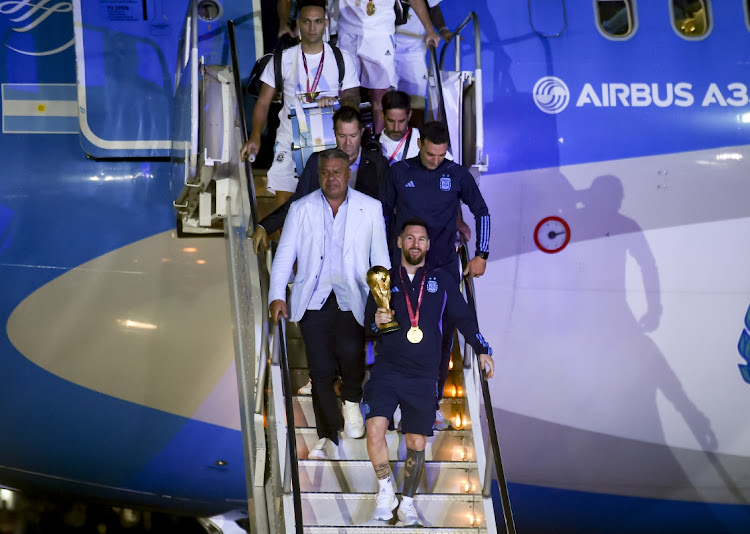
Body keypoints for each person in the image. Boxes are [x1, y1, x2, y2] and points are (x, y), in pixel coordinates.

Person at [363, 218, 494, 525]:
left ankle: (407, 502)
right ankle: (385, 491)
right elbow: (368, 323)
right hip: (387, 369)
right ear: (400, 243)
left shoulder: (441, 280)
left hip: (423, 375)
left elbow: (463, 316)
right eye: (410, 238)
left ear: (428, 245)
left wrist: (482, 348)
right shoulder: (382, 281)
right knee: (374, 429)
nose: (416, 244)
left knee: (417, 443)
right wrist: (376, 322)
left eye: (421, 239)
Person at [269, 148, 391, 459]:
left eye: (337, 171)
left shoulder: (370, 208)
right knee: (320, 371)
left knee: (352, 359)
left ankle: (351, 402)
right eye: (325, 172)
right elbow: (284, 255)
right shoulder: (301, 208)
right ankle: (328, 434)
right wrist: (277, 295)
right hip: (313, 299)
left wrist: (384, 303)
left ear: (349, 173)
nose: (331, 178)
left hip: (353, 296)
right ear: (319, 174)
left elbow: (380, 260)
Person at [382, 120, 490, 430]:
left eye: (441, 155)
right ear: (419, 145)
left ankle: (433, 403)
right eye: (430, 154)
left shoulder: (456, 174)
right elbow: (382, 216)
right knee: (394, 332)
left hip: (442, 268)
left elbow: (482, 211)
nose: (435, 160)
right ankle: (391, 401)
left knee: (441, 340)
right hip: (404, 269)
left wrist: (481, 255)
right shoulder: (399, 173)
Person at [241, 0, 360, 206]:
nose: (312, 28)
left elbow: (353, 97)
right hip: (290, 137)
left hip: (328, 140)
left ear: (326, 22)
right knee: (284, 203)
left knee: (328, 201)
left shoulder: (341, 58)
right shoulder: (281, 59)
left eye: (317, 22)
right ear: (298, 23)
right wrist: (255, 135)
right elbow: (263, 102)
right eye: (306, 21)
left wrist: (336, 100)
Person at [253, 106, 389, 253]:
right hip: (325, 247)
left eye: (353, 136)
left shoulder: (378, 164)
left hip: (363, 247)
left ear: (362, 132)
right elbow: (298, 202)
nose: (348, 143)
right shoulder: (318, 161)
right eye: (342, 136)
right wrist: (265, 226)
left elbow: (385, 209)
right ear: (334, 134)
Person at [335, 0, 439, 134]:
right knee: (347, 93)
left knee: (380, 96)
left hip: (380, 33)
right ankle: (350, 146)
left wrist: (429, 29)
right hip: (347, 31)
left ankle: (380, 146)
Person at [394, 0, 452, 125]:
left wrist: (443, 29)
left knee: (416, 102)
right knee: (384, 99)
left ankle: (414, 140)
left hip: (413, 48)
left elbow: (433, 6)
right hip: (385, 41)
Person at [377, 90, 421, 165]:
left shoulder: (423, 139)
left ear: (409, 115)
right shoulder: (374, 146)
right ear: (382, 115)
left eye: (401, 121)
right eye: (391, 121)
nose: (396, 129)